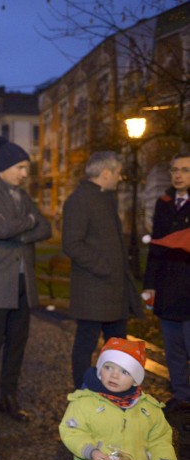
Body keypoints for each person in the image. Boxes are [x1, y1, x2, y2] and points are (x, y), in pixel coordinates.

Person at [0, 136, 52, 426]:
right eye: (21, 167)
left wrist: (21, 231)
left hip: (23, 282)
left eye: (26, 167)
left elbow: (46, 228)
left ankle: (8, 398)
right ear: (4, 167)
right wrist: (27, 223)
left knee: (18, 343)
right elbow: (1, 229)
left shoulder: (23, 196)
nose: (25, 174)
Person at [59, 338, 176, 460]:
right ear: (99, 370)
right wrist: (91, 451)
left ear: (136, 378)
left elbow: (159, 439)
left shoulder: (149, 409)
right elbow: (72, 430)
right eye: (108, 367)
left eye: (124, 371)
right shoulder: (85, 402)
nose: (114, 375)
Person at [63, 151, 144, 390]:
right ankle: (82, 393)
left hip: (113, 290)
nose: (120, 178)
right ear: (106, 172)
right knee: (86, 344)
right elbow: (72, 244)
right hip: (93, 288)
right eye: (117, 173)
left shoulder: (105, 197)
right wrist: (104, 267)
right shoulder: (80, 200)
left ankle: (116, 392)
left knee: (117, 346)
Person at [143, 152, 190, 413]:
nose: (178, 175)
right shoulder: (163, 203)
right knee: (172, 346)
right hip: (168, 286)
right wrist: (150, 283)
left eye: (184, 170)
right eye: (174, 170)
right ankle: (181, 394)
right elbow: (156, 247)